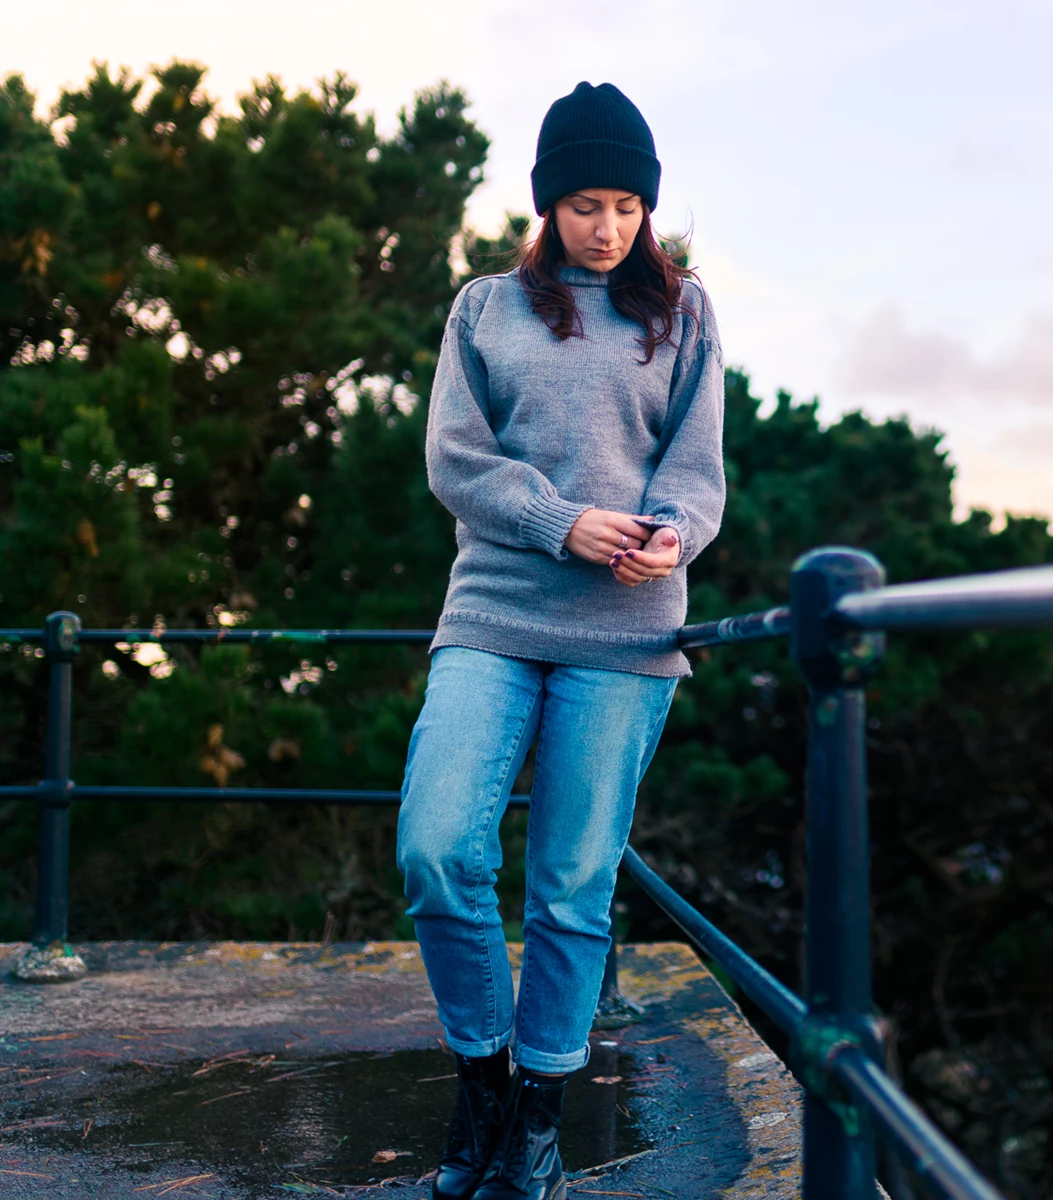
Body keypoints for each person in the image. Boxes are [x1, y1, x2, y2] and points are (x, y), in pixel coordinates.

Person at [396, 81, 726, 1200]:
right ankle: (482, 1077)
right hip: (493, 608)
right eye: (586, 202)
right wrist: (558, 520)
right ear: (547, 205)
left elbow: (696, 463)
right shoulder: (484, 308)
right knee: (438, 848)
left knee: (574, 883)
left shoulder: (685, 312)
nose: (608, 226)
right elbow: (456, 458)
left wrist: (671, 535)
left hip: (626, 632)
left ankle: (536, 1117)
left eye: (627, 205)